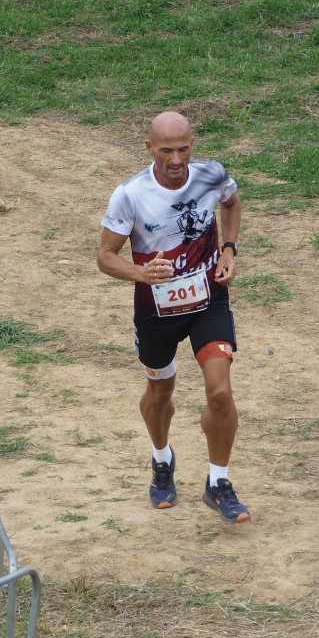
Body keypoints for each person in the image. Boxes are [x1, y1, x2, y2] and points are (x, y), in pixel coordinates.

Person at [97, 111, 250, 524]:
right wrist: (140, 273)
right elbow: (105, 257)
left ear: (192, 144)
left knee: (220, 393)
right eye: (166, 150)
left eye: (183, 148)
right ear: (149, 149)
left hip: (208, 301)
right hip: (156, 310)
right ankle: (161, 459)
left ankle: (218, 483)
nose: (177, 159)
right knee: (161, 393)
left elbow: (232, 204)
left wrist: (230, 249)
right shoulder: (129, 194)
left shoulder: (212, 175)